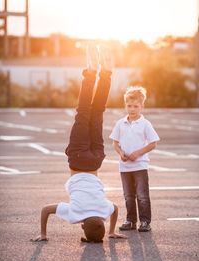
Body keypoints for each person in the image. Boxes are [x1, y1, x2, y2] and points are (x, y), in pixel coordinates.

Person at [31, 43, 126, 243]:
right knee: (83, 112)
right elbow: (46, 210)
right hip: (78, 158)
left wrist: (111, 230)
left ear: (101, 220)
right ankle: (90, 72)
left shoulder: (104, 210)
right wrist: (43, 234)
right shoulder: (75, 214)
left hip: (96, 161)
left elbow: (115, 209)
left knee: (98, 112)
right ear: (81, 226)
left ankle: (106, 73)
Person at [109, 86, 160, 232]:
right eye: (129, 106)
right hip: (125, 167)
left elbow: (153, 143)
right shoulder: (120, 123)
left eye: (135, 106)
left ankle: (145, 222)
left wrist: (138, 153)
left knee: (142, 196)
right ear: (125, 105)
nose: (132, 109)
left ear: (142, 107)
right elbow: (115, 143)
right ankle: (131, 220)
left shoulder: (145, 124)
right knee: (128, 196)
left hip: (140, 166)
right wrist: (120, 153)